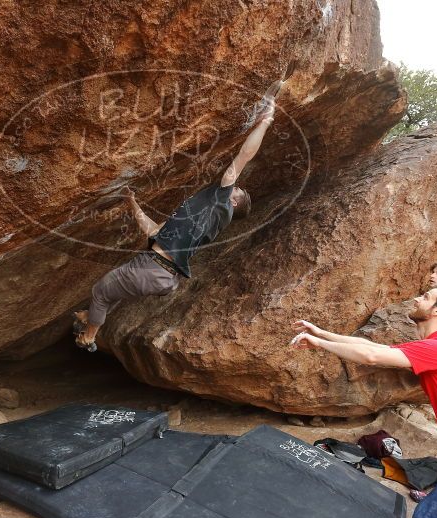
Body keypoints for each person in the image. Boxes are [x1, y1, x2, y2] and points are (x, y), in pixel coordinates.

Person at [72, 78, 284, 351]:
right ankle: (88, 317)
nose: (233, 184)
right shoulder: (205, 218)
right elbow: (152, 231)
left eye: (237, 189)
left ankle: (89, 337)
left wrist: (265, 121)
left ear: (235, 199)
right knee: (113, 290)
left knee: (101, 290)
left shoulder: (221, 203)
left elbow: (243, 157)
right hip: (160, 274)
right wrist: (131, 202)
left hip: (152, 269)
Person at [291, 286, 437, 518]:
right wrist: (322, 333)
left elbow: (370, 357)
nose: (417, 298)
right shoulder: (435, 346)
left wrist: (319, 342)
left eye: (426, 297)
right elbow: (376, 349)